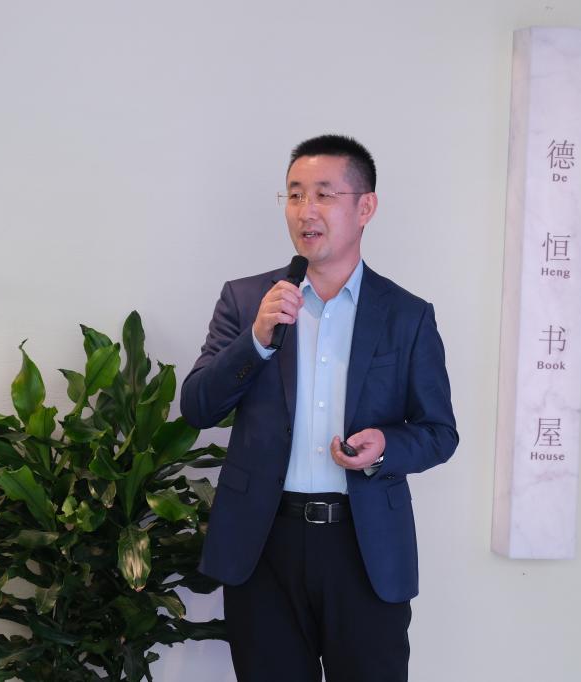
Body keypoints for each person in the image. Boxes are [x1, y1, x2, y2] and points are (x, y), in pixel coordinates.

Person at [180, 134, 458, 682]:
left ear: (365, 207)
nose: (306, 211)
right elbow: (197, 408)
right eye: (294, 195)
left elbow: (439, 432)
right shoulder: (247, 300)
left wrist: (386, 446)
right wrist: (255, 340)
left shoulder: (407, 315)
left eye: (324, 195)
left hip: (364, 547)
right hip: (264, 545)